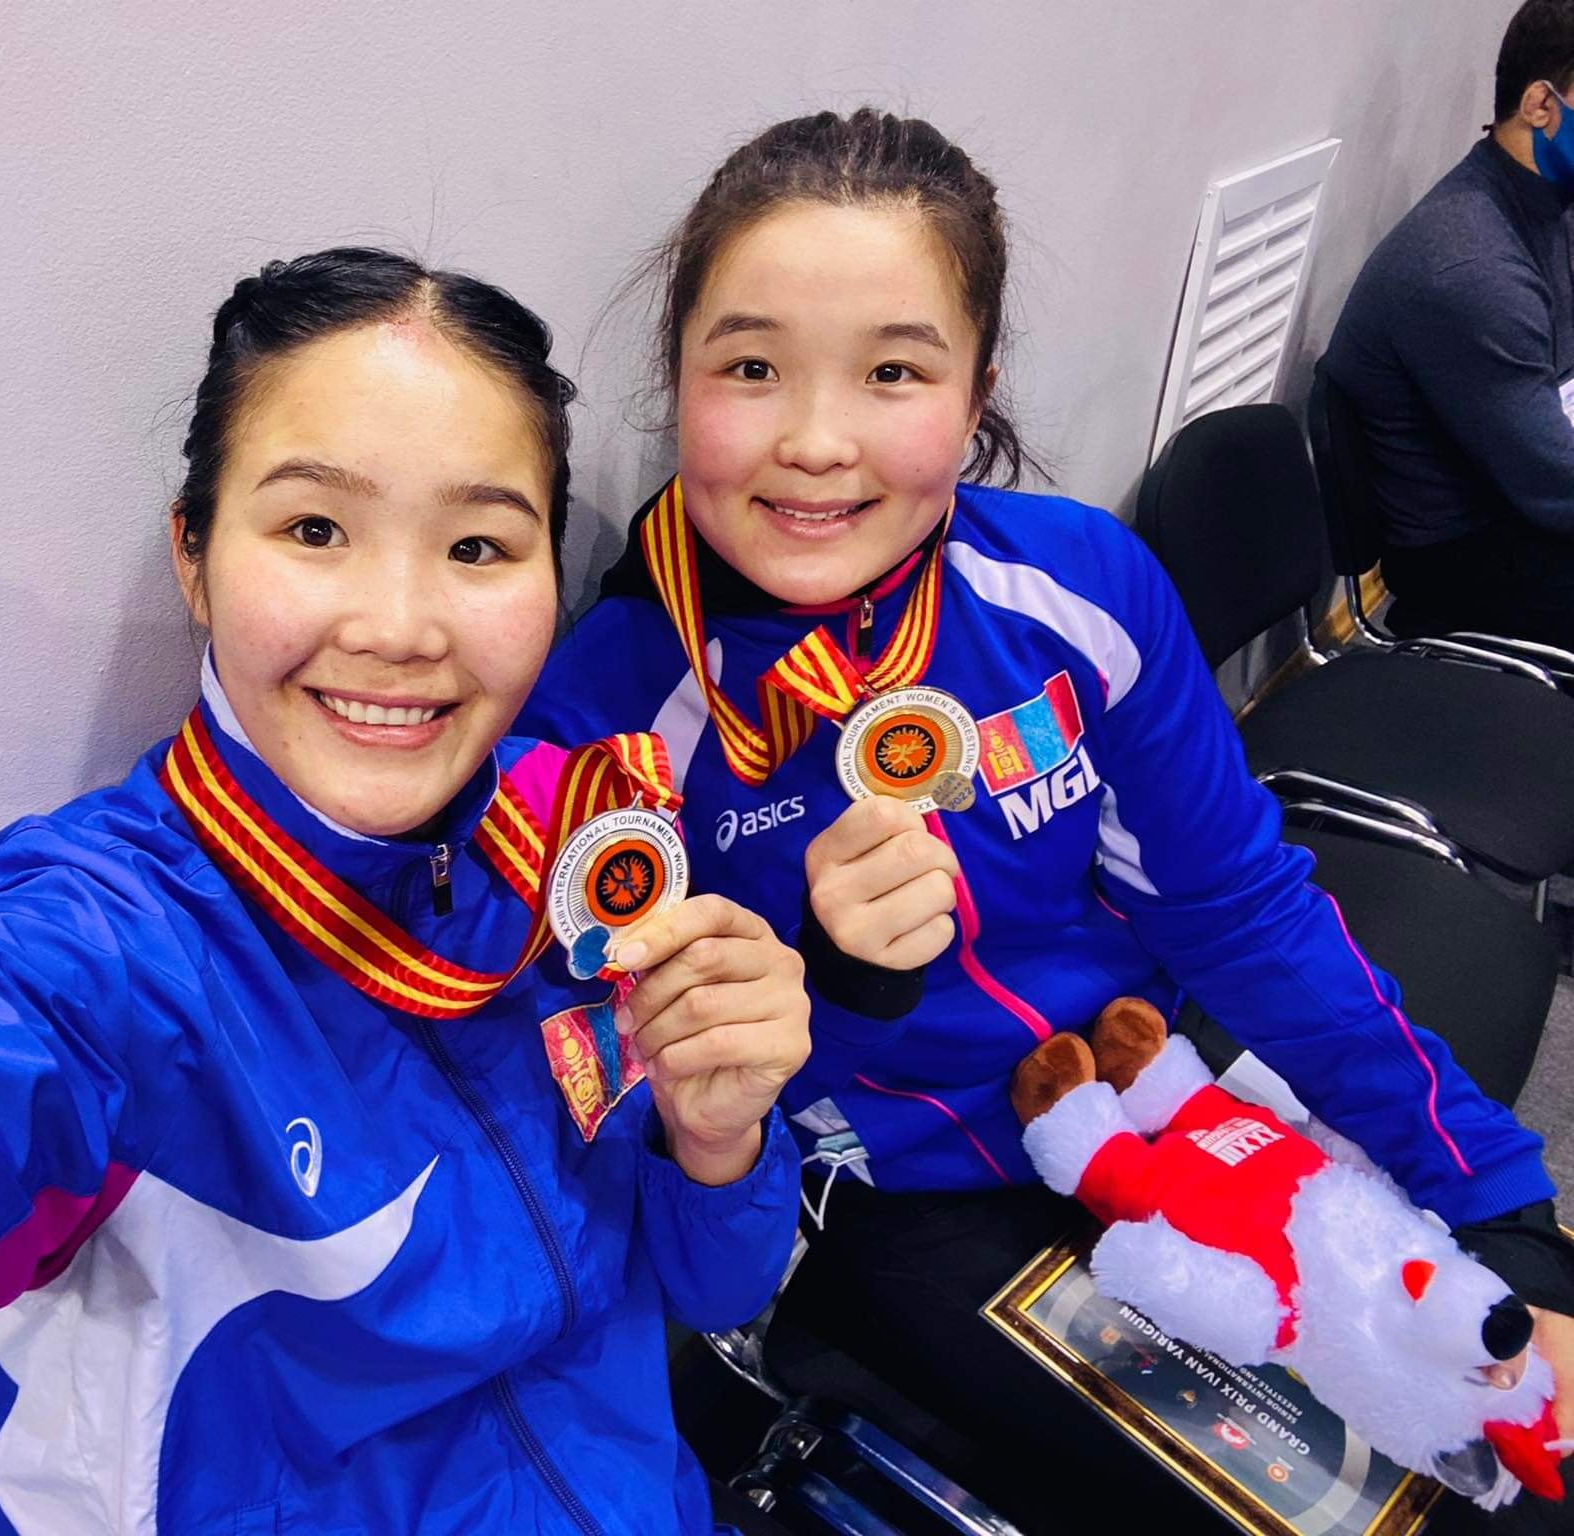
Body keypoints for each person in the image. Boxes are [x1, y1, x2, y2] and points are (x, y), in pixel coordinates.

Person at [0, 248, 814, 1536]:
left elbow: (712, 1292)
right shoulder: (98, 957)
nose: (401, 626)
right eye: (315, 530)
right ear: (193, 554)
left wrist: (718, 1143)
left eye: (477, 545)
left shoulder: (567, 844)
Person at [525, 109, 1574, 1532]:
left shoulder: (1079, 589)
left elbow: (1239, 911)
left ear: (977, 393)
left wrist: (1494, 1193)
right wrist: (828, 990)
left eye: (894, 370)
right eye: (751, 367)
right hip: (897, 1201)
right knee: (1383, 1518)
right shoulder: (603, 727)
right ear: (678, 380)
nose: (815, 441)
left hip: (1152, 1079)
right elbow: (626, 1121)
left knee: (1508, 1432)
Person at [1324, 0, 1574, 650]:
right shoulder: (1471, 266)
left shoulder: (1544, 202)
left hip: (1518, 493)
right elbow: (1557, 492)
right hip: (1466, 553)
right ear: (1541, 106)